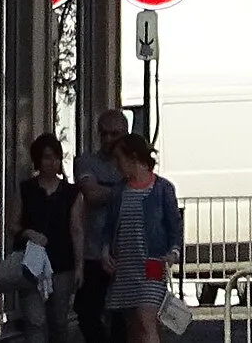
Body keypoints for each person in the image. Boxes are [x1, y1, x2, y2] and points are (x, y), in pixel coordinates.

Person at [104, 134, 181, 343]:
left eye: (120, 160)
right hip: (125, 266)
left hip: (152, 263)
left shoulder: (162, 189)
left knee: (146, 319)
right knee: (133, 326)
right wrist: (105, 251)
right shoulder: (119, 191)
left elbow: (174, 224)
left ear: (134, 157)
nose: (118, 166)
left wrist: (174, 250)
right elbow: (110, 225)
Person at [10, 132, 82, 342]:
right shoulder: (26, 189)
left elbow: (76, 230)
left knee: (59, 321)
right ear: (37, 160)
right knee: (35, 321)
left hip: (62, 264)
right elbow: (12, 225)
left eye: (55, 157)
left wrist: (79, 267)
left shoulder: (72, 193)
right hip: (31, 263)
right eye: (46, 157)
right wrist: (28, 232)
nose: (51, 162)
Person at [72, 111, 129, 343]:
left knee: (122, 315)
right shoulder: (87, 161)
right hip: (93, 250)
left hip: (125, 250)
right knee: (86, 311)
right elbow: (91, 194)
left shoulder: (131, 164)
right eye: (103, 133)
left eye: (114, 134)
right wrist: (124, 191)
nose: (108, 139)